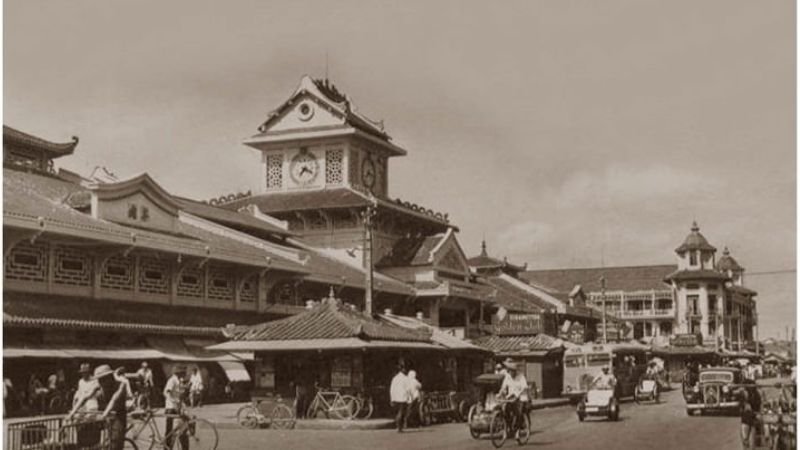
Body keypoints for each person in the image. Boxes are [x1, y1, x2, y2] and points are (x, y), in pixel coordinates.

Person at [69, 365, 128, 450]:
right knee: (89, 432)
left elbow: (113, 401)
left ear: (109, 377)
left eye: (103, 379)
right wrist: (72, 412)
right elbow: (85, 397)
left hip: (118, 416)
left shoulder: (121, 385)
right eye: (99, 379)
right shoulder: (99, 385)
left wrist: (104, 415)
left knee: (115, 443)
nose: (100, 381)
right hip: (104, 414)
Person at [498, 362, 529, 435]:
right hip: (511, 397)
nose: (510, 372)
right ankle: (508, 426)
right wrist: (500, 393)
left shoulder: (521, 377)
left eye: (512, 371)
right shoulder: (507, 377)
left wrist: (518, 394)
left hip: (521, 397)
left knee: (518, 412)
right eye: (509, 370)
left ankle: (517, 429)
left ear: (515, 371)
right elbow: (503, 387)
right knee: (506, 410)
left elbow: (524, 387)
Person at [164, 366, 189, 449]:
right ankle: (167, 447)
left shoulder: (178, 381)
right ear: (179, 373)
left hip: (176, 408)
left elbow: (179, 394)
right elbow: (166, 392)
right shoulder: (172, 380)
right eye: (183, 373)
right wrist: (173, 401)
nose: (184, 375)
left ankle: (184, 447)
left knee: (181, 427)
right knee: (169, 430)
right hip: (170, 408)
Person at [737, 377, 762, 448]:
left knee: (753, 441)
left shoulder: (756, 394)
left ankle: (755, 442)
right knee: (745, 440)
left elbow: (759, 405)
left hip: (753, 418)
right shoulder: (743, 393)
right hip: (745, 419)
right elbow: (741, 405)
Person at [390, 363, 410, 432]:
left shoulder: (395, 378)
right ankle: (399, 427)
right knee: (401, 412)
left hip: (396, 397)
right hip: (402, 397)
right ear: (402, 369)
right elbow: (408, 389)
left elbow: (392, 389)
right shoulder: (405, 378)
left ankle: (398, 426)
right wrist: (409, 397)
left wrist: (392, 398)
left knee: (398, 412)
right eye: (404, 369)